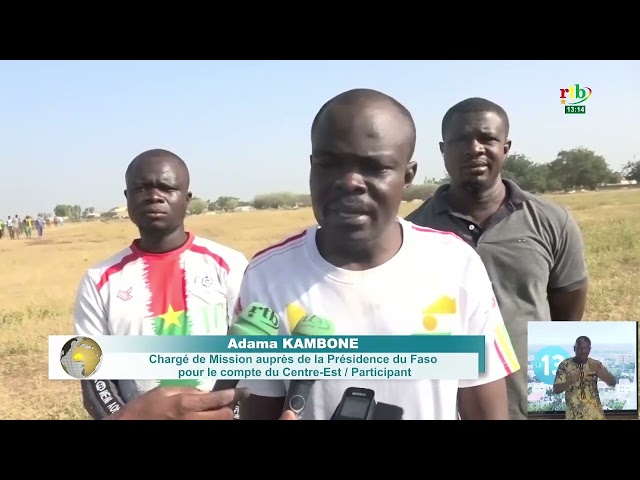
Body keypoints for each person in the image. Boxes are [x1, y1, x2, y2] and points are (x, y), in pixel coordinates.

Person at [235, 88, 519, 420]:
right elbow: (260, 406)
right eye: (330, 164)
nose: (350, 182)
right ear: (312, 166)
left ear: (407, 176)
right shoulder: (267, 275)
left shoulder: (457, 265)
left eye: (375, 167)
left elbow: (485, 408)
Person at [405, 97, 588, 420]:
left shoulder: (551, 221)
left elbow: (567, 317)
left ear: (506, 147)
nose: (474, 148)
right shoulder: (412, 231)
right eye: (460, 139)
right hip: (447, 407)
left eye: (487, 138)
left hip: (535, 404)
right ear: (442, 149)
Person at [73, 149, 249, 419]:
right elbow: (92, 378)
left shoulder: (230, 265)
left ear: (187, 199)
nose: (154, 196)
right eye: (141, 188)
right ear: (128, 197)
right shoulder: (98, 279)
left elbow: (250, 354)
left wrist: (227, 411)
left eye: (167, 188)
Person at [552, 336, 616, 420]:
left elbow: (612, 383)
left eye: (586, 348)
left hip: (596, 415)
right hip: (574, 416)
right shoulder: (565, 365)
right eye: (580, 348)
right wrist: (570, 381)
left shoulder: (595, 364)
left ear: (590, 349)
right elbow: (556, 390)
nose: (583, 351)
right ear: (574, 348)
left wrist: (601, 373)